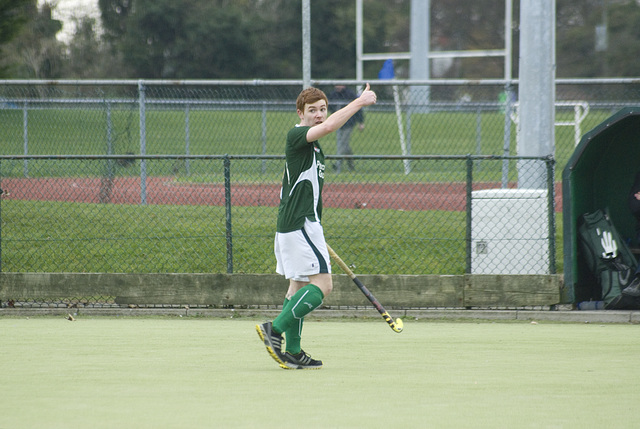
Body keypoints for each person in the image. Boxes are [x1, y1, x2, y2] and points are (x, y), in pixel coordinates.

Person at [255, 83, 377, 369]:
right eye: (313, 111)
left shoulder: (313, 150)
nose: (320, 115)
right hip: (299, 226)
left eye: (323, 109)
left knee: (296, 288)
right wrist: (358, 102)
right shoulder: (298, 135)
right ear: (301, 113)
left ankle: (294, 352)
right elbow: (331, 127)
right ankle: (275, 329)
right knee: (323, 284)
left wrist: (314, 226)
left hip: (299, 224)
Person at [328, 85, 365, 173]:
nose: (337, 87)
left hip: (349, 123)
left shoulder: (350, 94)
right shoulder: (333, 94)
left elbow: (358, 108)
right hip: (337, 123)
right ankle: (351, 163)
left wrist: (361, 122)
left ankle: (337, 165)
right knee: (345, 146)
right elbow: (329, 107)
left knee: (342, 144)